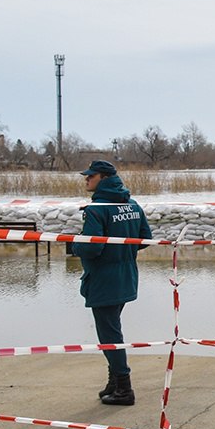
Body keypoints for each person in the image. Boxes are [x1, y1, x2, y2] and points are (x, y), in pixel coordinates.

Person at [73, 160, 152, 406]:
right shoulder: (133, 204)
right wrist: (122, 253)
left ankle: (124, 387)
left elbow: (92, 247)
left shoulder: (97, 209)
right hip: (126, 276)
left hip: (103, 280)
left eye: (91, 176)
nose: (86, 180)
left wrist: (75, 244)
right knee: (112, 329)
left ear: (104, 178)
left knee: (109, 334)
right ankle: (114, 381)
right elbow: (145, 239)